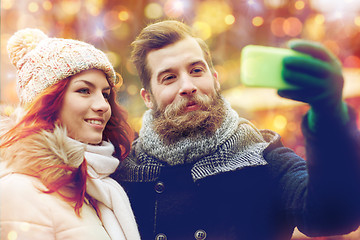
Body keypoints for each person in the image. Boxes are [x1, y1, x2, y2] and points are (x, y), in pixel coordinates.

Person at [113, 20, 360, 240]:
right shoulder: (124, 172)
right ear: (147, 98)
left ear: (215, 79)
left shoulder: (264, 159)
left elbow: (335, 215)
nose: (187, 86)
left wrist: (329, 116)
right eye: (169, 78)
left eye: (196, 70)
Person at [0, 28, 140, 240]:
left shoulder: (97, 184)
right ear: (47, 101)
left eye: (105, 94)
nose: (102, 105)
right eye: (84, 90)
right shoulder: (20, 189)